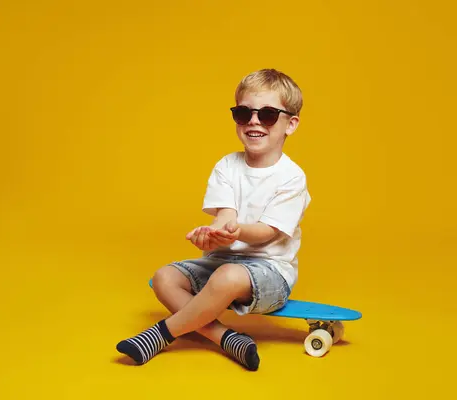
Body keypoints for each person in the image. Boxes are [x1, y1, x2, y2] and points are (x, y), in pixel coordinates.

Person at [116, 68, 311, 371]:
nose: (254, 122)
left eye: (268, 114)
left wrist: (236, 232)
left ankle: (162, 334)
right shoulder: (227, 166)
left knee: (228, 276)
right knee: (164, 277)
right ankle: (226, 338)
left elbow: (267, 233)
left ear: (291, 124)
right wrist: (211, 234)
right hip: (222, 263)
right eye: (243, 113)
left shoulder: (291, 177)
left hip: (270, 273)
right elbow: (226, 215)